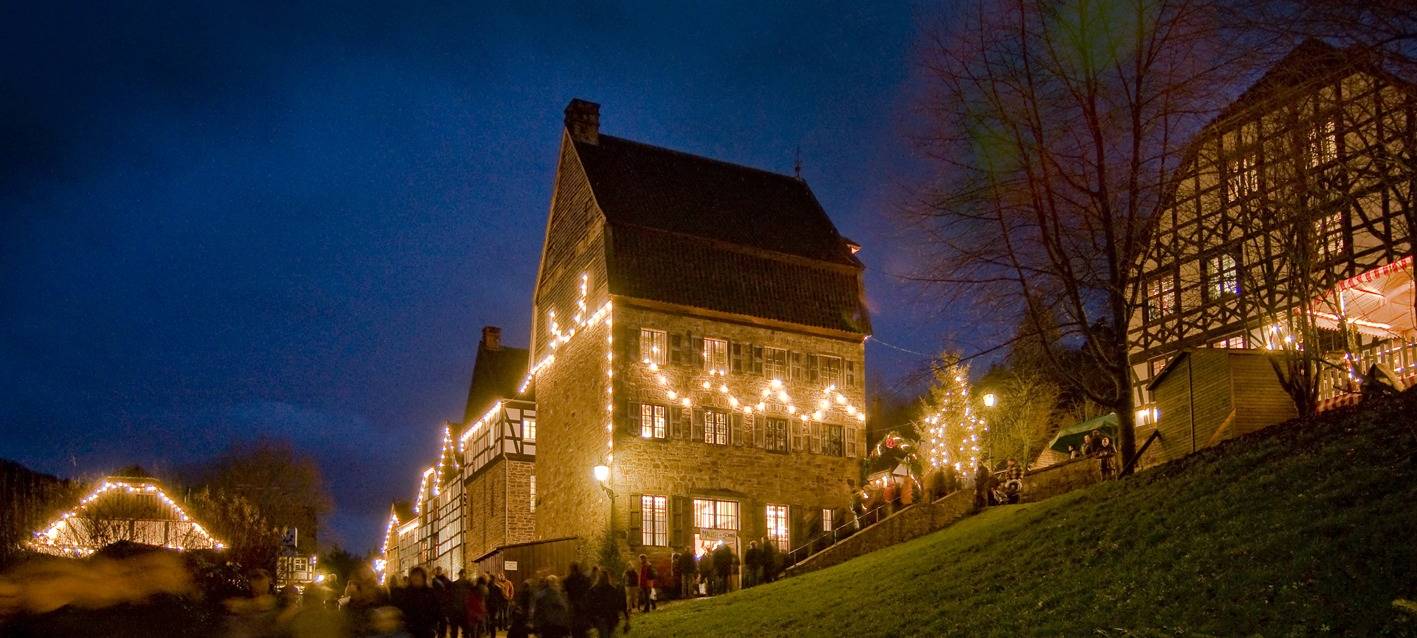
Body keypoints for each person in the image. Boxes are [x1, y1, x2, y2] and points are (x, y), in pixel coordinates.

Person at [396, 567, 442, 638]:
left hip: (426, 630)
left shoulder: (430, 593)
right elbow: (402, 611)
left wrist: (438, 629)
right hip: (410, 631)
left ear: (423, 578)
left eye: (418, 575)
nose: (416, 578)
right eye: (414, 575)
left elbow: (437, 611)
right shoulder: (406, 593)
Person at [587, 569, 628, 638]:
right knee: (607, 633)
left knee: (604, 633)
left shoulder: (593, 590)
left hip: (601, 616)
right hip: (609, 617)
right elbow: (618, 604)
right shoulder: (612, 589)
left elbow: (590, 604)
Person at [562, 562, 591, 638]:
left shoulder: (567, 580)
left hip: (573, 607)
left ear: (571, 569)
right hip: (583, 606)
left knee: (575, 630)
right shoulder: (585, 579)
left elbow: (564, 593)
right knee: (582, 630)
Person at [450, 570, 473, 638]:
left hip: (455, 611)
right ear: (464, 574)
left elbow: (451, 597)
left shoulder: (454, 584)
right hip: (465, 611)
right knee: (466, 631)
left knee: (454, 632)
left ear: (460, 575)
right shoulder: (469, 584)